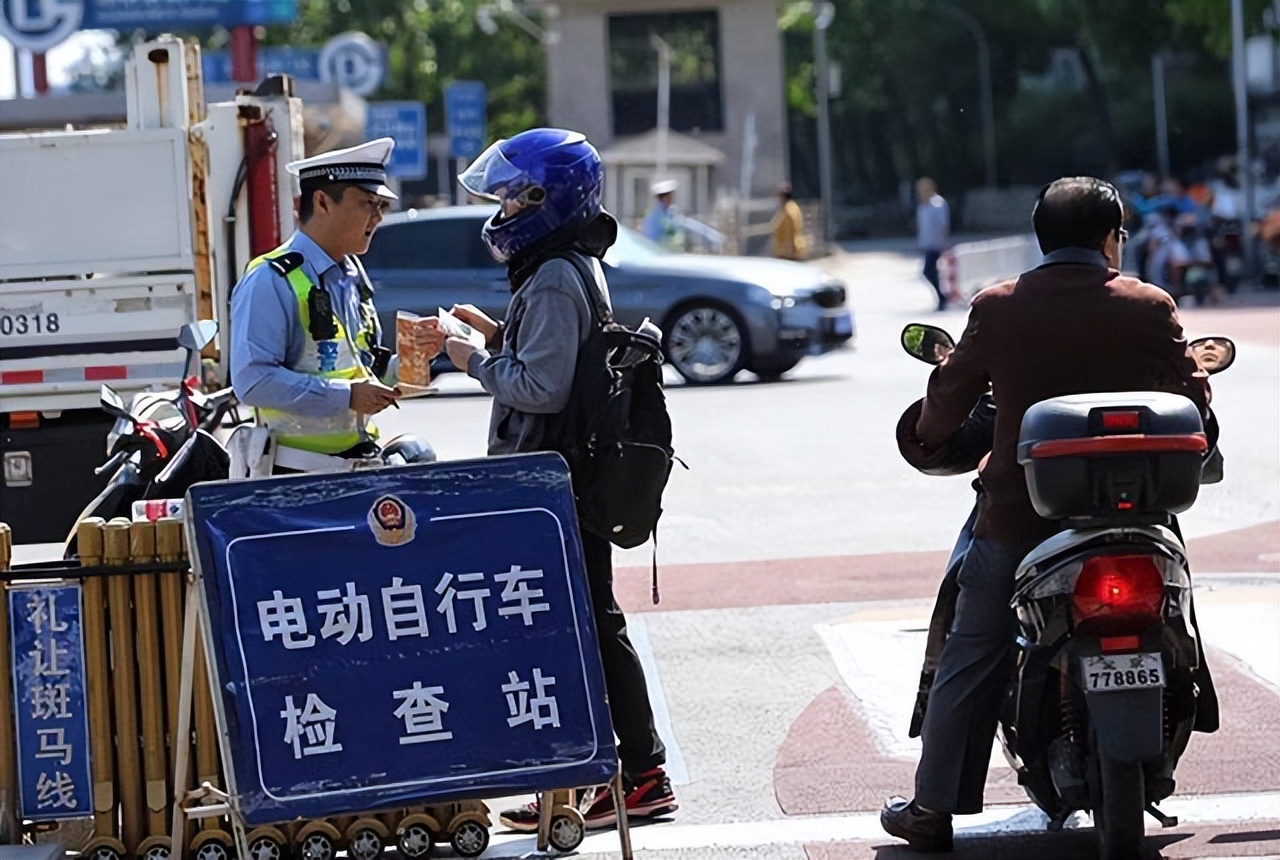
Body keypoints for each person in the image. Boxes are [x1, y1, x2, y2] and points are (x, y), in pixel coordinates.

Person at [883, 176, 1210, 853]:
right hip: (1138, 513)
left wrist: (928, 432)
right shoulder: (1150, 305)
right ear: (1111, 235)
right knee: (1177, 608)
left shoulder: (999, 307)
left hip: (1020, 518)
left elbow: (948, 400)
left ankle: (932, 808)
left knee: (972, 649)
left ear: (1042, 237)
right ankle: (1192, 697)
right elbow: (1194, 394)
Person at [440, 128, 678, 831]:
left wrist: (471, 360)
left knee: (589, 625)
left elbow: (540, 387)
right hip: (572, 473)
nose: (505, 210)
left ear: (550, 197)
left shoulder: (550, 274)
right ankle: (583, 780)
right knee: (585, 623)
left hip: (555, 482)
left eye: (515, 197)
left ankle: (642, 774)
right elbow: (560, 357)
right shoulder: (573, 263)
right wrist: (494, 332)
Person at [229, 138, 443, 474]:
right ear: (322, 202)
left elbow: (358, 371)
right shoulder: (270, 279)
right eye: (367, 204)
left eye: (381, 207)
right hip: (294, 477)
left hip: (358, 467)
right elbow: (252, 381)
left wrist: (410, 362)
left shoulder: (350, 275)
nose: (377, 218)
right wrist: (346, 396)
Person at [640, 178, 724, 253]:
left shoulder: (671, 213)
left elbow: (690, 225)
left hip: (671, 256)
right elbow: (650, 240)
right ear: (663, 198)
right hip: (660, 257)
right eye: (669, 196)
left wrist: (712, 235)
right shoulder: (657, 217)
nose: (672, 198)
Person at [915, 178, 951, 310]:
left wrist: (943, 242)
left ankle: (943, 297)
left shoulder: (937, 204)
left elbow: (943, 224)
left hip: (936, 244)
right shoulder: (923, 205)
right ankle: (942, 298)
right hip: (927, 244)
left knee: (928, 271)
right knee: (932, 271)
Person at [769, 182, 808, 260]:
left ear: (783, 196)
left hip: (788, 253)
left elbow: (790, 232)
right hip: (788, 251)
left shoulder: (789, 210)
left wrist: (791, 251)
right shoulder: (791, 207)